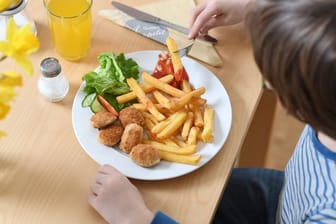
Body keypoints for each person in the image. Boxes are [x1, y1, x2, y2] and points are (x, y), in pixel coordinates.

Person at [88, 0, 336, 223]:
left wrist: (137, 219)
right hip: (285, 195)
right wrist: (252, 7)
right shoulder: (327, 102)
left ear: (293, 104)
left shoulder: (327, 212)